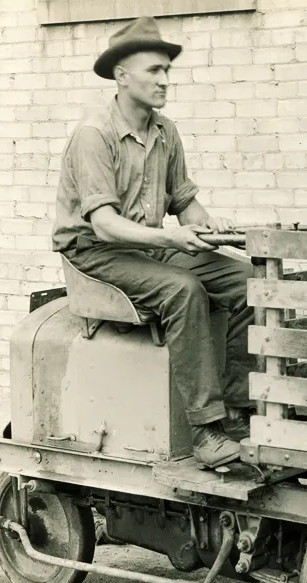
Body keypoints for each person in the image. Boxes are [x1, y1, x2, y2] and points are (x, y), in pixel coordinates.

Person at [51, 17, 253, 469]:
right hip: (95, 256)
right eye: (154, 71)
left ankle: (239, 409)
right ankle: (205, 431)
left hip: (146, 247)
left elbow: (186, 205)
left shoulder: (165, 131)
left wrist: (211, 230)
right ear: (122, 77)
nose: (165, 81)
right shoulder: (94, 135)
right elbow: (104, 226)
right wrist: (173, 238)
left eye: (168, 71)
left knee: (250, 282)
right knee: (182, 290)